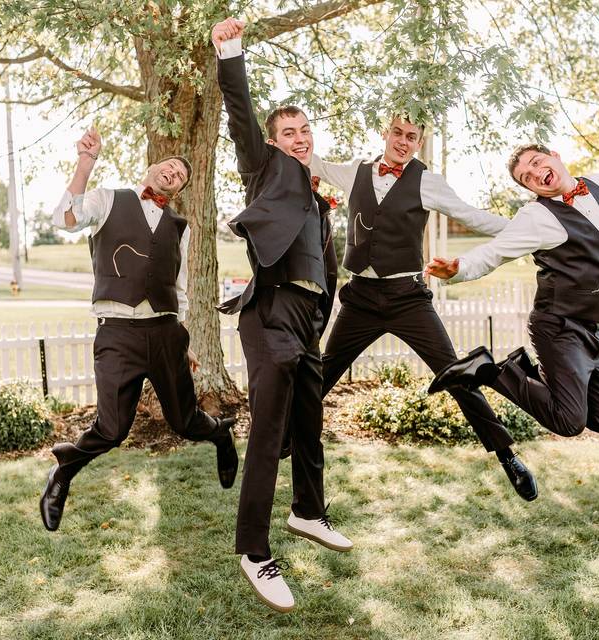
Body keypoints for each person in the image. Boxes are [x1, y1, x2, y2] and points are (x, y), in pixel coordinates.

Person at [302, 116, 537, 501]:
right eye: (397, 132)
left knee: (455, 373)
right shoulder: (356, 171)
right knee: (323, 374)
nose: (403, 141)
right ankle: (284, 438)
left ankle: (507, 455)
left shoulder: (428, 181)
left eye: (412, 137)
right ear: (384, 133)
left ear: (419, 143)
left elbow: (472, 216)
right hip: (360, 297)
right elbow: (315, 163)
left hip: (407, 299)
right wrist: (284, 143)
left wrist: (527, 228)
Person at [212, 17, 350, 613]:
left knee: (310, 423)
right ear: (273, 142)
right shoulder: (265, 168)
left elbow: (327, 271)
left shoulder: (320, 200)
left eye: (304, 130)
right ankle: (253, 549)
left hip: (307, 317)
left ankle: (308, 511)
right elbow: (240, 111)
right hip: (268, 313)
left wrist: (321, 320)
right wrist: (231, 52)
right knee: (269, 433)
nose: (298, 137)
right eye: (288, 131)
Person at [39, 127, 238, 533]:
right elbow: (65, 219)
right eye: (168, 166)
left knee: (184, 422)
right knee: (112, 429)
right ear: (150, 169)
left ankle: (220, 436)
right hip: (117, 334)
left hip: (166, 333)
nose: (173, 173)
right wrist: (85, 164)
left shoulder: (178, 226)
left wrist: (183, 342)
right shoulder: (108, 199)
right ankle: (63, 473)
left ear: (180, 189)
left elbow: (178, 288)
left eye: (181, 175)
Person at [426, 116, 599, 440]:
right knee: (569, 422)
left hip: (594, 328)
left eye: (536, 162)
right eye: (526, 178)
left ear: (555, 156)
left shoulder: (597, 187)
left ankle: (526, 370)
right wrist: (459, 267)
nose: (534, 174)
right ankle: (488, 369)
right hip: (558, 327)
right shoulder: (536, 216)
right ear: (530, 189)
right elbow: (496, 252)